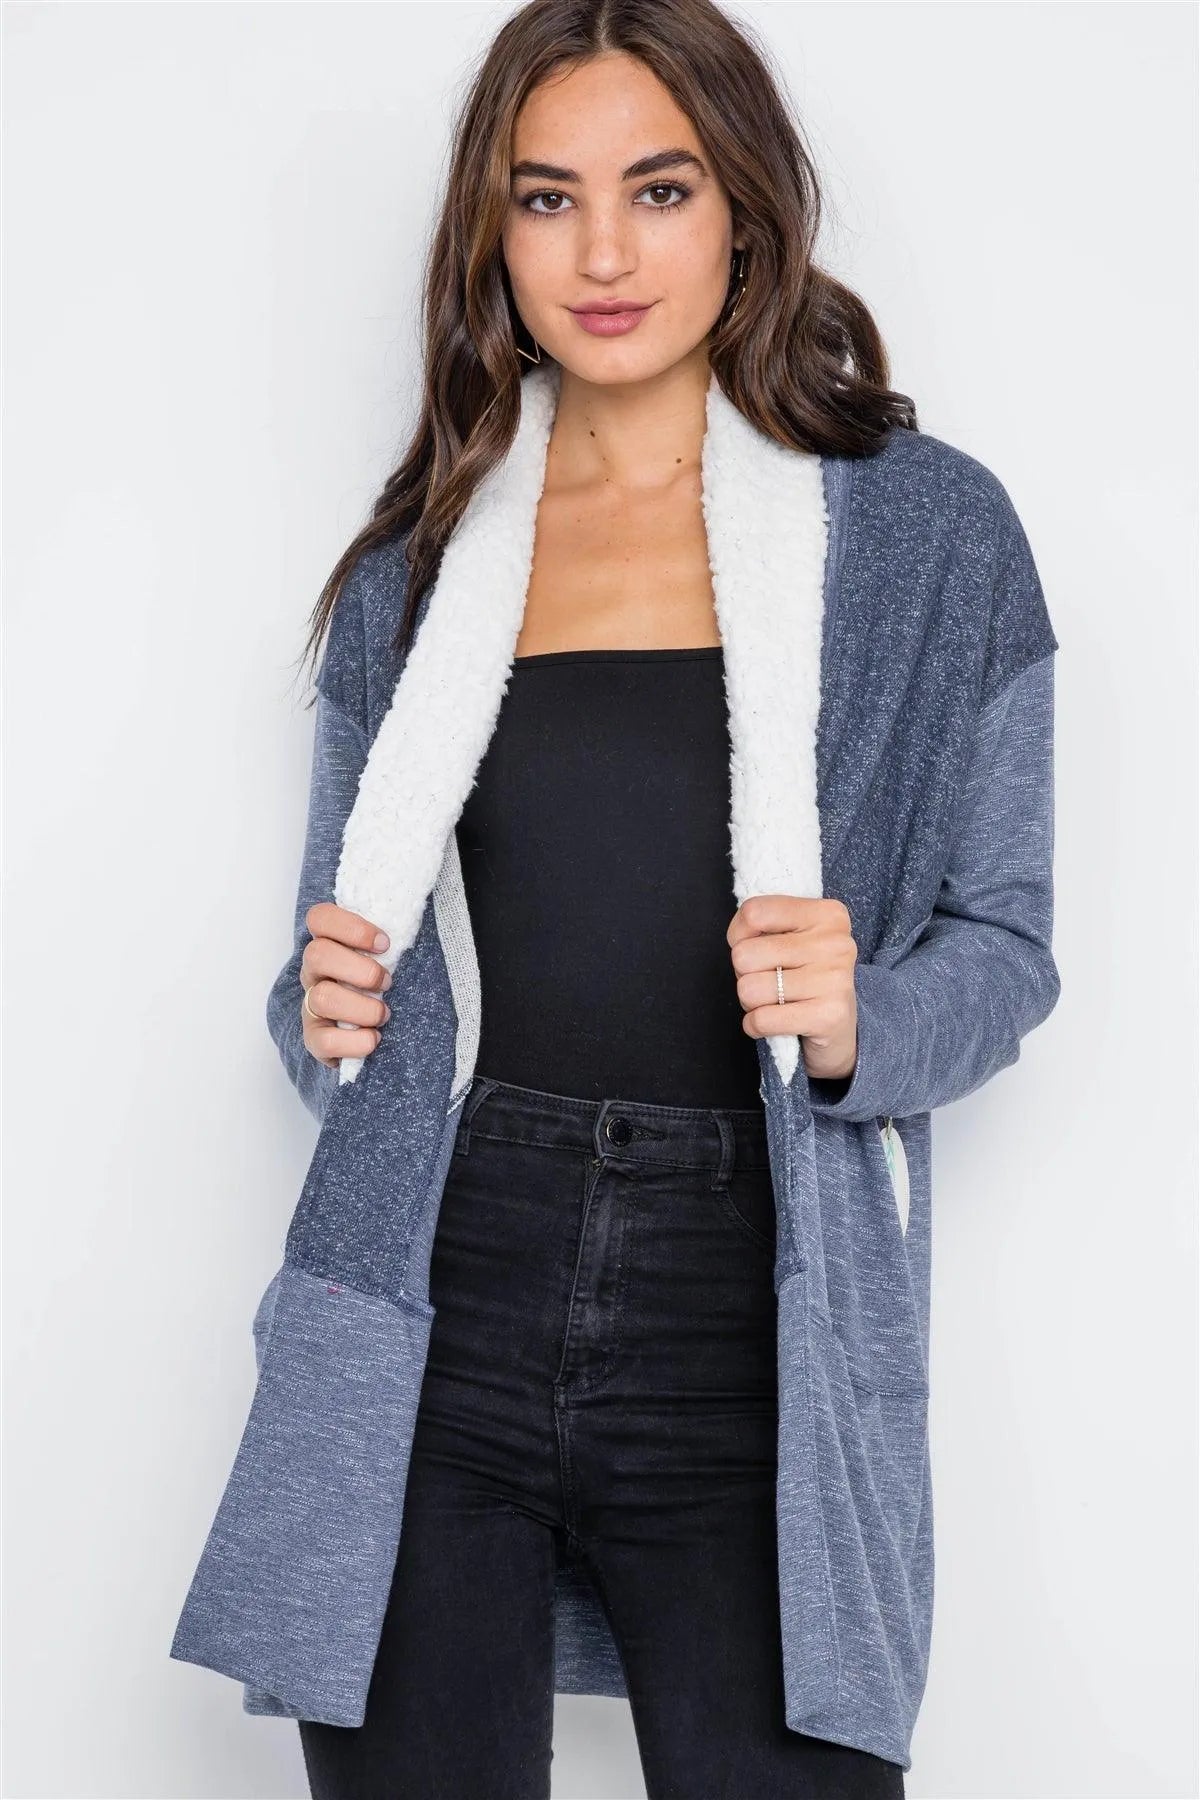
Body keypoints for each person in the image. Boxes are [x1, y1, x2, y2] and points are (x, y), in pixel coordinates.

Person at [169, 2, 1061, 1794]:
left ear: (745, 208)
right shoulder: (419, 561)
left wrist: (866, 1018)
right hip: (437, 1286)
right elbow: (334, 978)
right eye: (546, 197)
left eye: (658, 190)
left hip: (756, 1307)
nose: (602, 254)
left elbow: (1012, 945)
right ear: (491, 233)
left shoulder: (929, 536)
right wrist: (316, 1007)